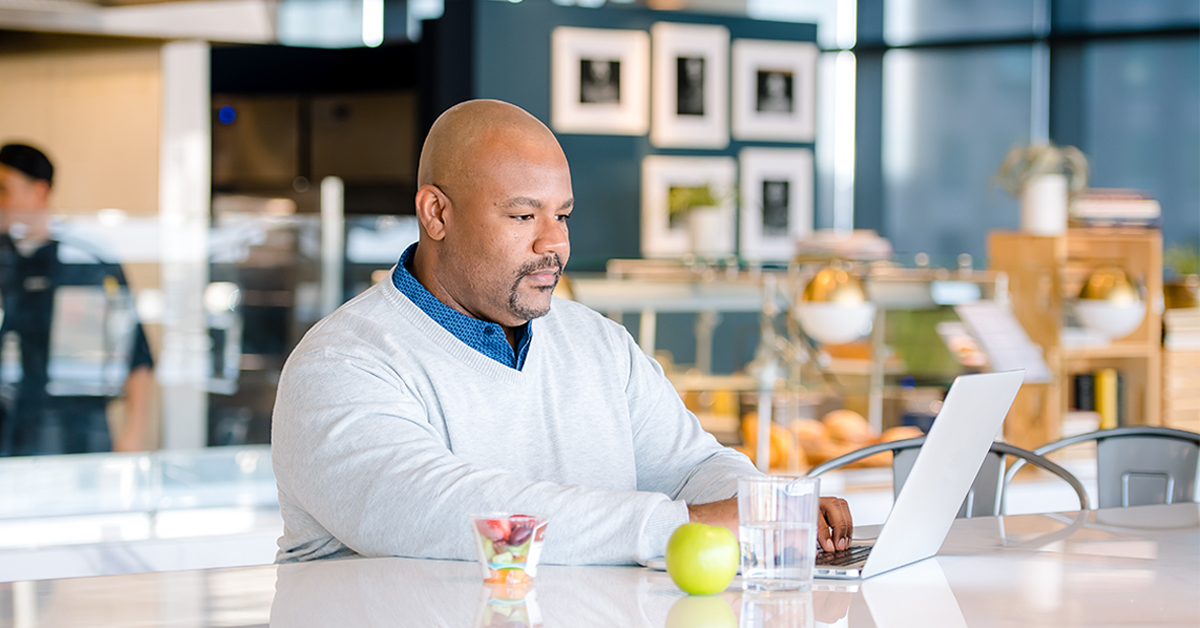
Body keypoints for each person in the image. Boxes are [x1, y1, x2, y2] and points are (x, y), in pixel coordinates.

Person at [271, 100, 853, 565]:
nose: (555, 243)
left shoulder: (597, 343)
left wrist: (765, 504)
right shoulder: (340, 365)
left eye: (562, 215)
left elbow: (689, 468)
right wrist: (689, 525)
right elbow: (455, 513)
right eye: (524, 216)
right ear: (437, 214)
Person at [0, 143, 154, 455]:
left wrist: (133, 433)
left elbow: (137, 356)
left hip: (76, 435)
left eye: (4, 190)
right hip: (8, 434)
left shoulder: (88, 261)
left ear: (39, 192)